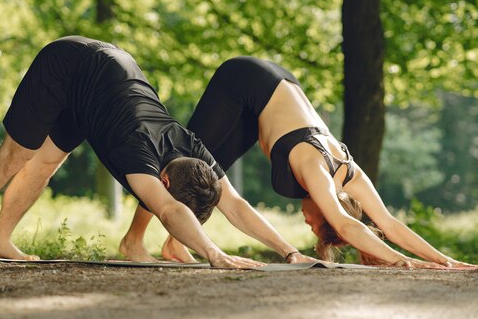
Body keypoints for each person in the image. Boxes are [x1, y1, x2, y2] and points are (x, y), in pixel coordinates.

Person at [120, 56, 476, 269]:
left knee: (210, 175)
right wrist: (402, 261)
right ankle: (134, 241)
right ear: (326, 210)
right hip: (245, 80)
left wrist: (443, 260)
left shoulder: (349, 174)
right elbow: (350, 227)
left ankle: (174, 243)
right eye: (316, 225)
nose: (307, 222)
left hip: (271, 91)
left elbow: (389, 224)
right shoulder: (316, 168)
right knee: (178, 160)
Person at [0, 36, 263, 269]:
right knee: (16, 153)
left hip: (98, 89)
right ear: (165, 181)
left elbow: (234, 203)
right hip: (66, 64)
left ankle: (0, 240)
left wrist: (290, 252)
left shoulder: (187, 156)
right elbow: (166, 210)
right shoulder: (142, 150)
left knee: (47, 162)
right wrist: (214, 253)